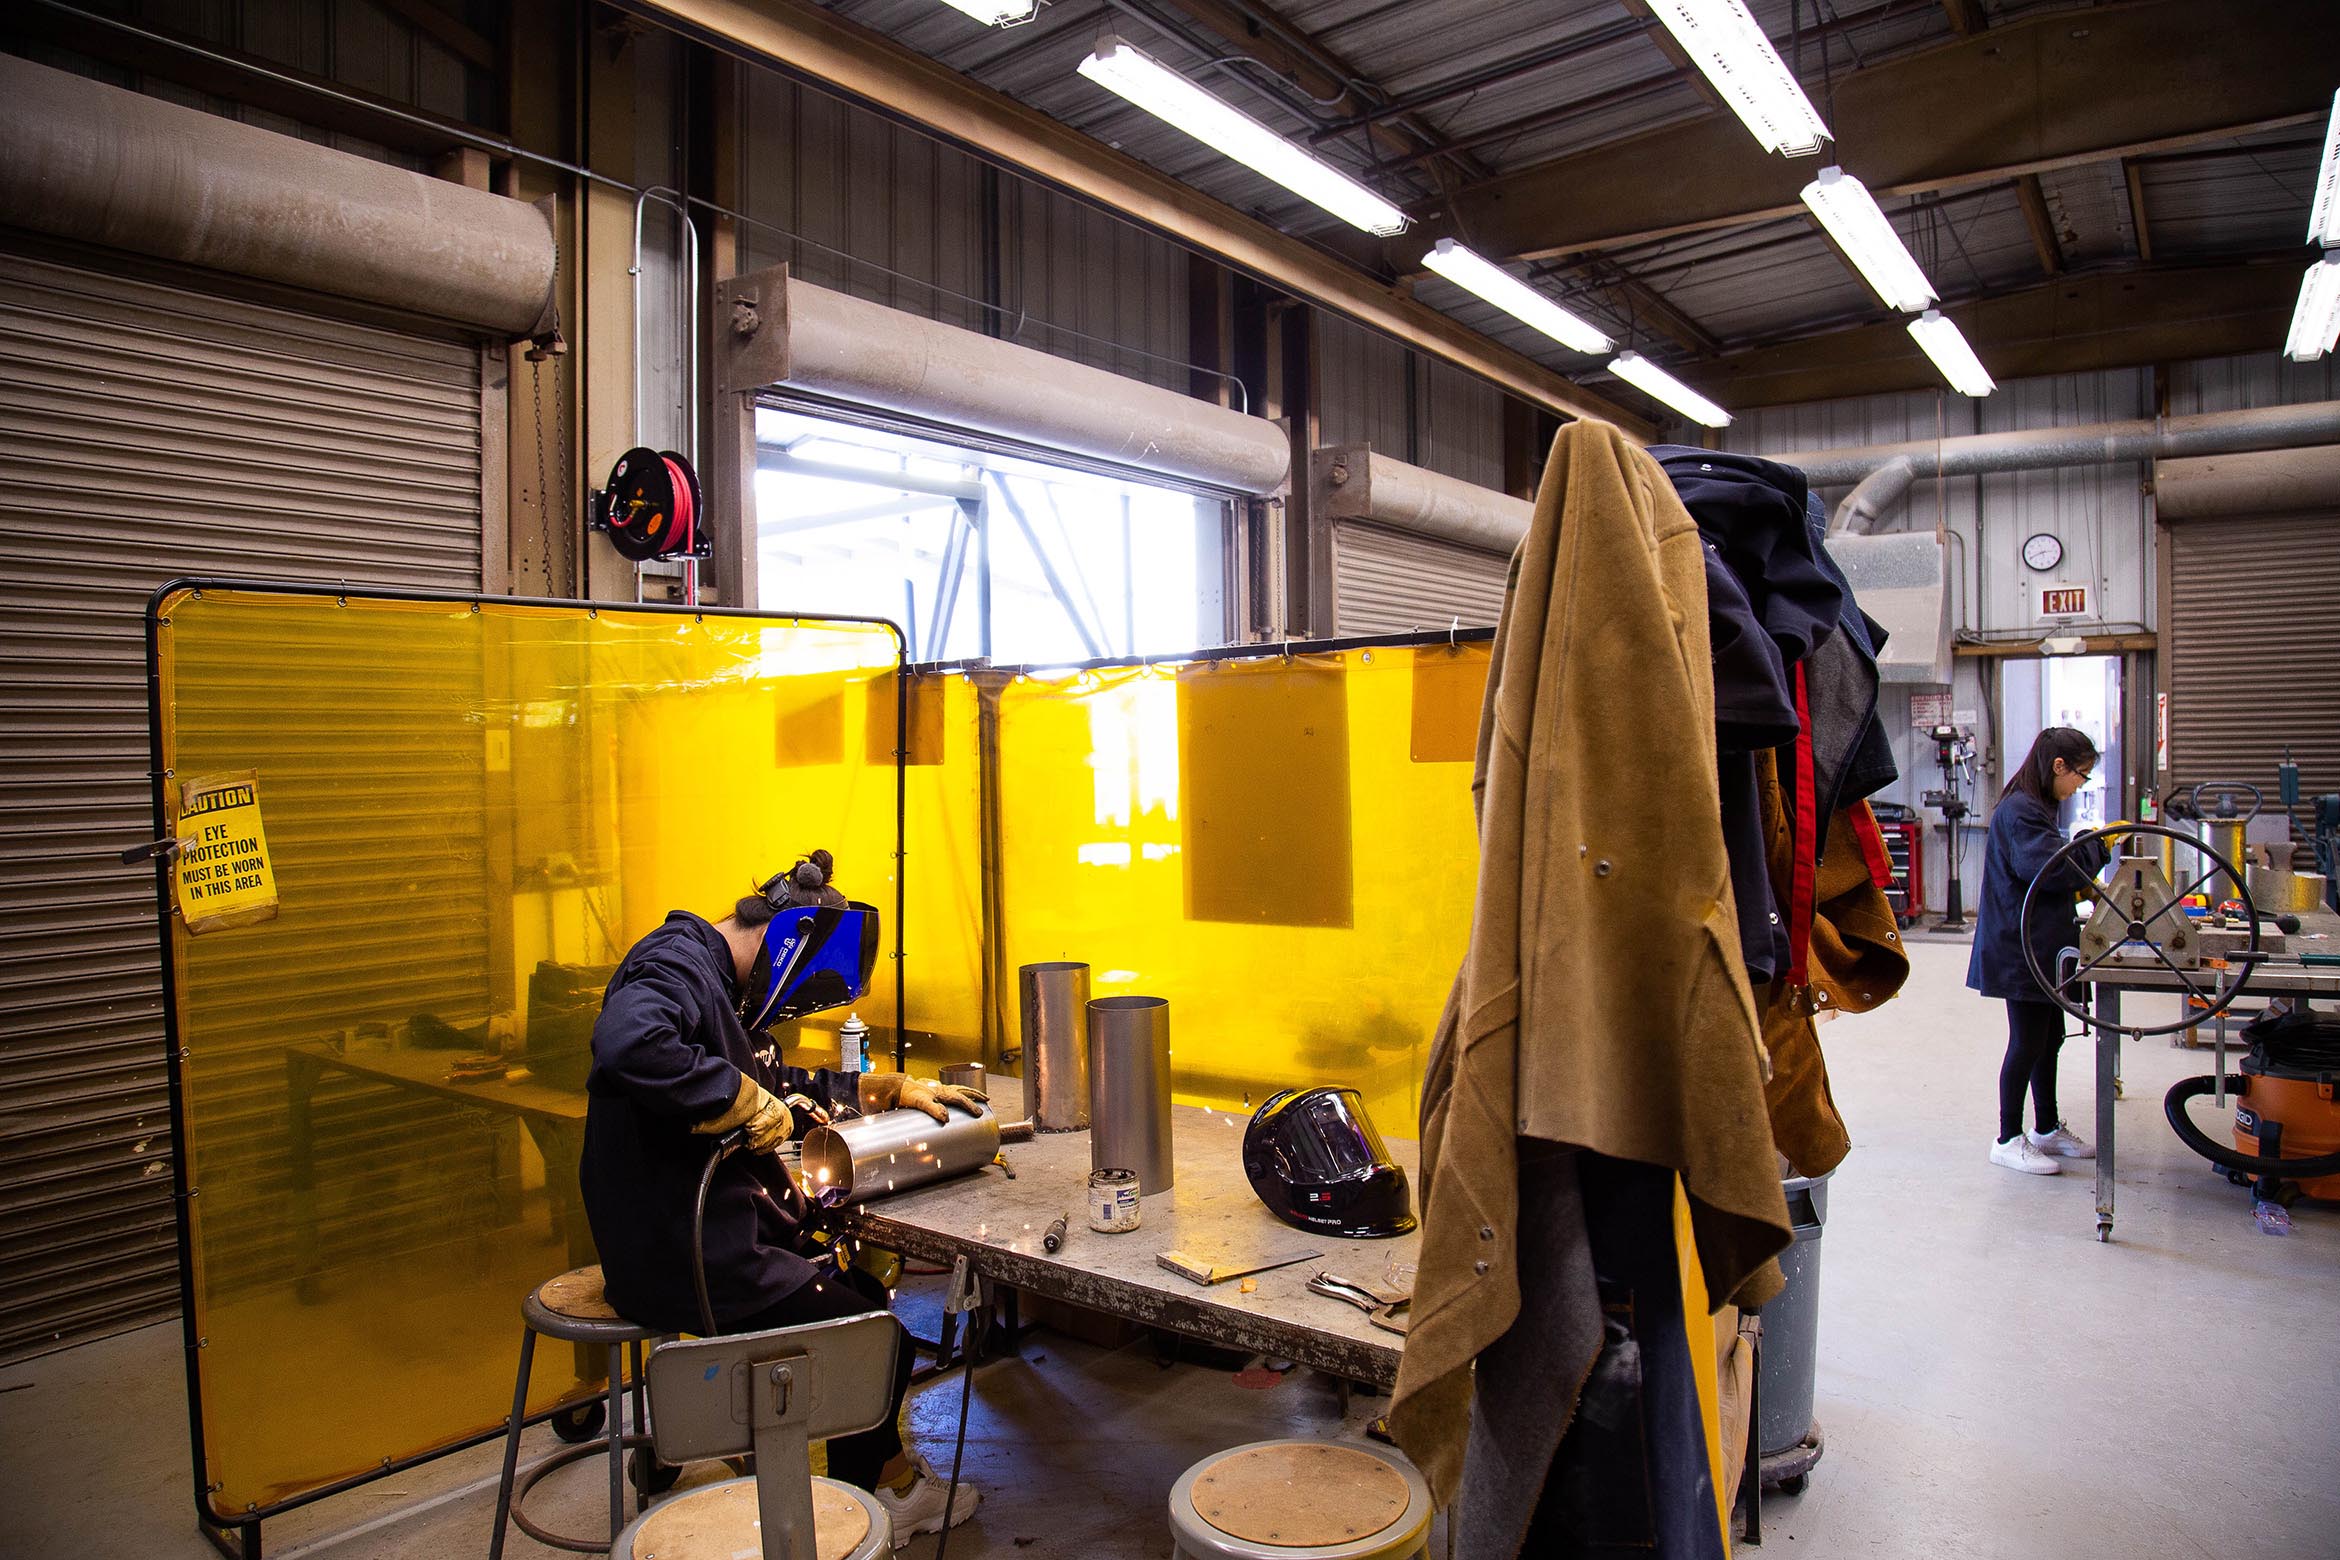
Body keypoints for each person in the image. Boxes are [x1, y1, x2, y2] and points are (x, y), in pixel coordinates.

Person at [578, 850, 989, 1540]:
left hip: (698, 1239)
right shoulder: (677, 962)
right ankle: (856, 1515)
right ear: (786, 942)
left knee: (861, 1284)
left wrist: (875, 1092)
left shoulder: (721, 992)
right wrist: (733, 1097)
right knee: (876, 1342)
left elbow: (775, 1088)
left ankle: (874, 1471)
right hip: (687, 1255)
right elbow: (631, 1042)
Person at [1967, 728, 2110, 1175]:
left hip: (2043, 946)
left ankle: (2046, 1128)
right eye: (2080, 777)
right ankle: (2008, 1138)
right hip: (2019, 946)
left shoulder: (2038, 806)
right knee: (2027, 1041)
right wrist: (2098, 847)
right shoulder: (2022, 810)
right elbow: (2047, 871)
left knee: (2052, 1038)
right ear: (2058, 766)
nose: (2079, 787)